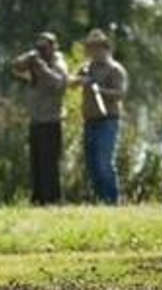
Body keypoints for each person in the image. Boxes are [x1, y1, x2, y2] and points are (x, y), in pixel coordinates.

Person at [11, 32, 69, 205]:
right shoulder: (34, 61)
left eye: (44, 47)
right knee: (36, 162)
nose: (41, 51)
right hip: (36, 120)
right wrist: (29, 57)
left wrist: (43, 69)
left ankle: (53, 199)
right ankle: (38, 199)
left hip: (51, 121)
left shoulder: (58, 64)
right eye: (39, 47)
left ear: (53, 47)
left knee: (49, 164)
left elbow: (59, 84)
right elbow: (15, 67)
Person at [73, 29, 128, 204]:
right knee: (92, 165)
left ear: (106, 48)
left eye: (98, 47)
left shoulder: (115, 69)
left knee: (104, 163)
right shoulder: (86, 68)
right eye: (91, 48)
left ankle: (112, 201)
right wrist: (79, 81)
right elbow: (72, 83)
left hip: (108, 121)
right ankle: (100, 200)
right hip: (89, 121)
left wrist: (99, 89)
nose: (94, 51)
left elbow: (120, 94)